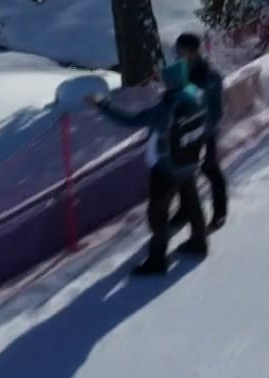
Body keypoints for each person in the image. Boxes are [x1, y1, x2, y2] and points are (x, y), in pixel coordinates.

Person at [86, 60, 211, 276]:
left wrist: (101, 104)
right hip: (190, 159)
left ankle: (157, 260)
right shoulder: (197, 94)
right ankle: (199, 242)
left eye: (164, 79)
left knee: (157, 214)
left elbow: (130, 120)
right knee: (191, 200)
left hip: (166, 169)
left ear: (170, 82)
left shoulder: (165, 109)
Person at [167, 33, 228, 232]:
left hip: (205, 132)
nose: (177, 56)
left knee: (210, 169)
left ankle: (219, 212)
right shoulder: (183, 74)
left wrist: (205, 131)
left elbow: (215, 110)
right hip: (187, 134)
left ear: (192, 53)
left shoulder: (209, 76)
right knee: (184, 174)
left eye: (181, 52)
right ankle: (185, 211)